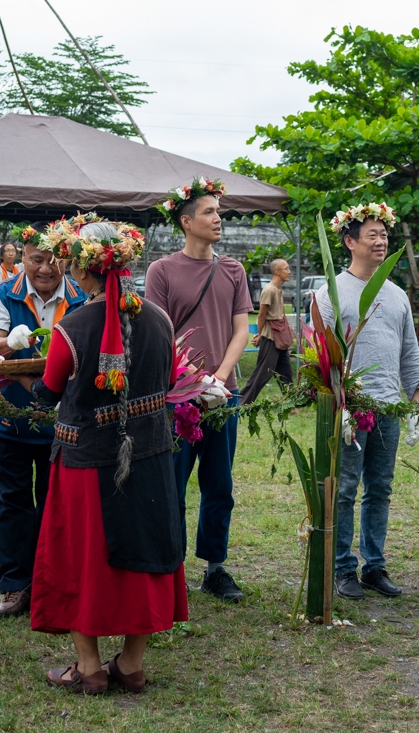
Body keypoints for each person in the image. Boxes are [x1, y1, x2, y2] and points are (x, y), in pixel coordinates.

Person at [21, 217, 188, 695]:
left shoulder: (71, 328)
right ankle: (131, 665)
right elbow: (168, 380)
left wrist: (15, 376)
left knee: (83, 561)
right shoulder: (159, 318)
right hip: (150, 455)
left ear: (79, 270)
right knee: (146, 556)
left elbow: (49, 392)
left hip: (86, 463)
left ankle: (90, 667)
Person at [313, 204, 419, 600]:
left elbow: (410, 350)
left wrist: (415, 400)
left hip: (389, 407)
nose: (381, 241)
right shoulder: (330, 292)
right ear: (349, 241)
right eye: (372, 235)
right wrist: (337, 401)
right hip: (349, 408)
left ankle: (374, 566)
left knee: (380, 488)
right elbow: (319, 354)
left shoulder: (396, 295)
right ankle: (343, 567)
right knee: (345, 488)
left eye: (384, 235)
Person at [145, 178, 251, 603]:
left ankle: (215, 568)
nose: (218, 219)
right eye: (209, 212)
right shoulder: (162, 270)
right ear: (186, 222)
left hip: (224, 396)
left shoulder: (233, 270)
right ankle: (170, 569)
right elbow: (160, 332)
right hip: (177, 398)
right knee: (172, 484)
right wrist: (195, 380)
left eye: (218, 212)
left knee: (219, 485)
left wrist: (219, 379)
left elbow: (242, 329)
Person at [0, 227, 88, 618]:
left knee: (58, 508)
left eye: (54, 259)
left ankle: (52, 585)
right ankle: (14, 586)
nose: (46, 268)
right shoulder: (3, 294)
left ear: (67, 259)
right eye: (36, 259)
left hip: (66, 424)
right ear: (21, 257)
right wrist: (12, 343)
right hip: (10, 419)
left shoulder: (81, 296)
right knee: (11, 503)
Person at [238, 258, 294, 404]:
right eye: (286, 269)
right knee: (262, 373)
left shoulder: (278, 290)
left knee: (285, 371)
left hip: (280, 336)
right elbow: (261, 315)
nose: (289, 272)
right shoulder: (269, 290)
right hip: (270, 337)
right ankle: (241, 402)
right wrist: (260, 335)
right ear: (277, 272)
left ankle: (292, 402)